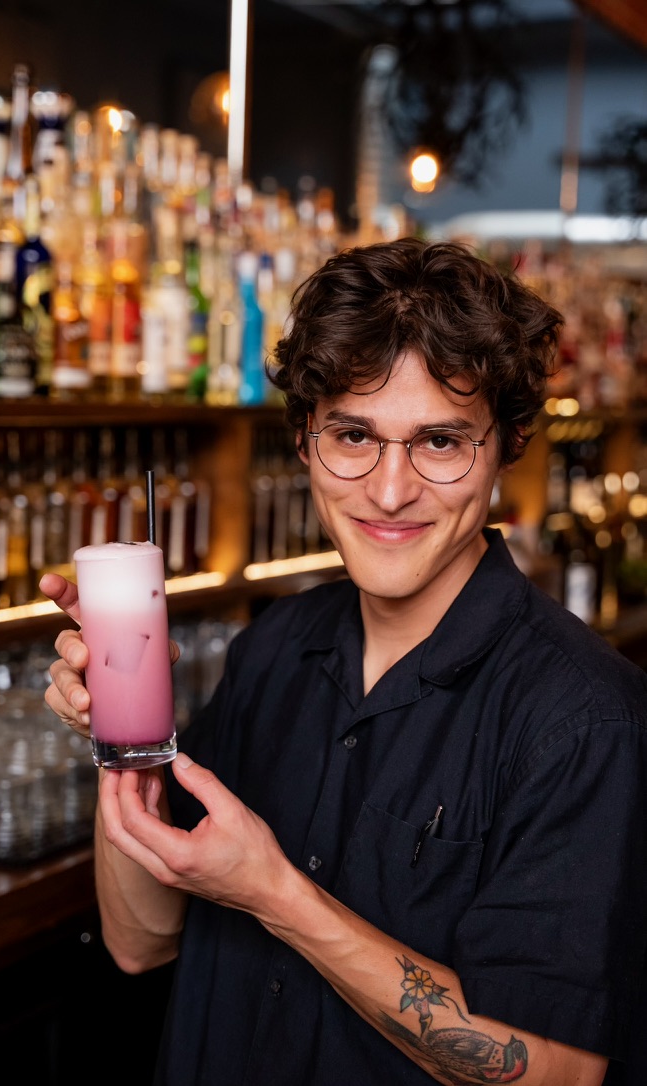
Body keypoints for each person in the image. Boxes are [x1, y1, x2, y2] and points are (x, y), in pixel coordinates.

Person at [41, 237, 647, 1086]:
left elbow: (549, 1072)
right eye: (353, 435)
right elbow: (140, 941)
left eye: (439, 442)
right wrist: (125, 744)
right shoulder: (273, 650)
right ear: (304, 442)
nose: (389, 490)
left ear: (508, 448)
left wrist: (277, 895)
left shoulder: (586, 720)